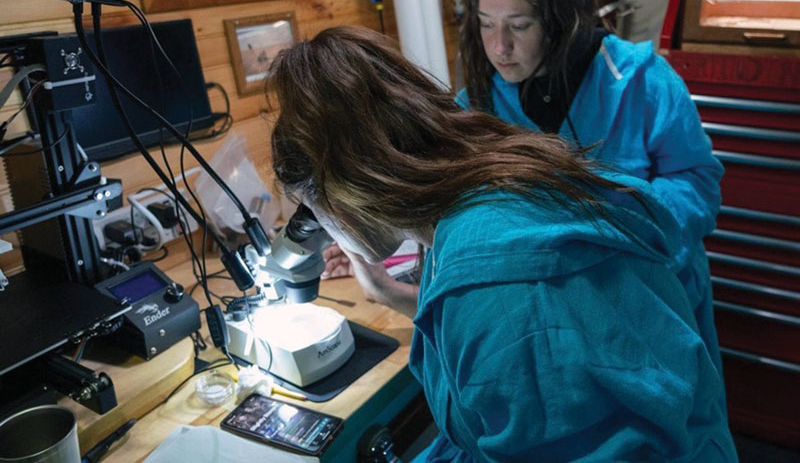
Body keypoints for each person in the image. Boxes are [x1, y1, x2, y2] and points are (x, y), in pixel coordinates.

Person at [268, 26, 737, 461]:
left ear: (346, 189)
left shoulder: (503, 292)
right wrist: (393, 293)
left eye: (314, 207)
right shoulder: (485, 188)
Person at [328, 0, 726, 376]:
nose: (499, 48)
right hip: (554, 323)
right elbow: (446, 205)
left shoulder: (641, 81)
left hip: (653, 308)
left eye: (518, 26)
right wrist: (374, 243)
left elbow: (698, 186)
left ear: (561, 22)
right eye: (485, 25)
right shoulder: (477, 106)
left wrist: (604, 212)